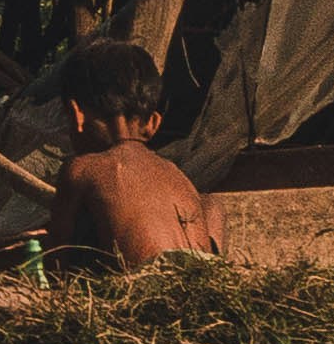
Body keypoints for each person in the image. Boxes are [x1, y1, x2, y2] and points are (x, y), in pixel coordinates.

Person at [44, 40, 219, 268]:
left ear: (76, 114)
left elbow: (55, 260)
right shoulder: (175, 173)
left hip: (145, 289)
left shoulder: (82, 169)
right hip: (203, 276)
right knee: (212, 206)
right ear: (153, 123)